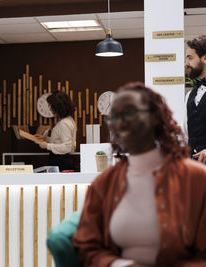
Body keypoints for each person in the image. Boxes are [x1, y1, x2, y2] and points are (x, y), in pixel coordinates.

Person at [73, 82, 206, 267]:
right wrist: (118, 264)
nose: (120, 123)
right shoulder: (105, 183)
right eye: (114, 117)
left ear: (155, 117)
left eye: (130, 113)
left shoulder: (197, 179)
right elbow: (86, 244)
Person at [35, 91, 77, 171]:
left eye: (51, 106)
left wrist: (47, 146)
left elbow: (67, 147)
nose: (50, 109)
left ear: (58, 107)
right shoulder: (68, 120)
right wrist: (45, 138)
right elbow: (59, 141)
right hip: (61, 161)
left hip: (61, 162)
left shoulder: (64, 123)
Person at [184, 35, 206, 163]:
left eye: (190, 58)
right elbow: (186, 133)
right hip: (194, 168)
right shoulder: (190, 95)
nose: (186, 63)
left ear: (205, 58)